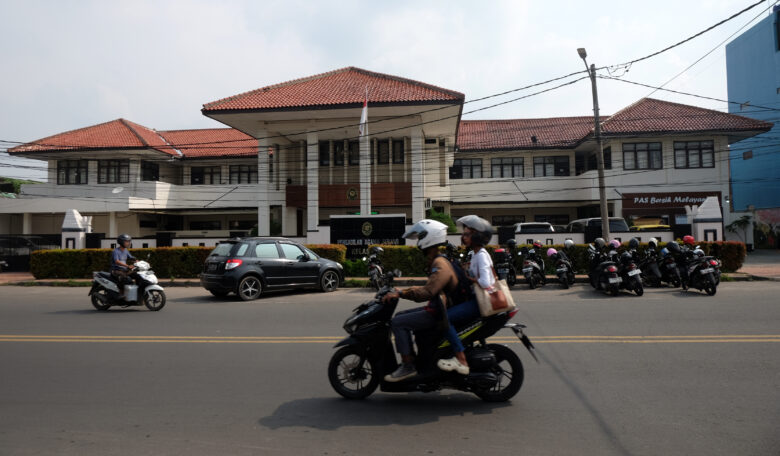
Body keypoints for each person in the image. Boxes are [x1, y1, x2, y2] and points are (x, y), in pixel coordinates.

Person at [382, 219, 461, 382]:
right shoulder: (438, 261)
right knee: (400, 316)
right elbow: (429, 287)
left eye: (420, 237)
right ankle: (415, 358)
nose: (418, 242)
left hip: (438, 312)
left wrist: (401, 293)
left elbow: (427, 291)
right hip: (437, 308)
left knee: (398, 323)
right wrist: (401, 291)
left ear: (429, 237)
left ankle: (408, 365)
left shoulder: (440, 264)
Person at [436, 215, 493, 375]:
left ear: (477, 236)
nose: (463, 236)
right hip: (475, 300)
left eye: (467, 234)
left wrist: (469, 278)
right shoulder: (475, 254)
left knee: (445, 318)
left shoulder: (481, 255)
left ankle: (460, 358)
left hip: (479, 303)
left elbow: (486, 282)